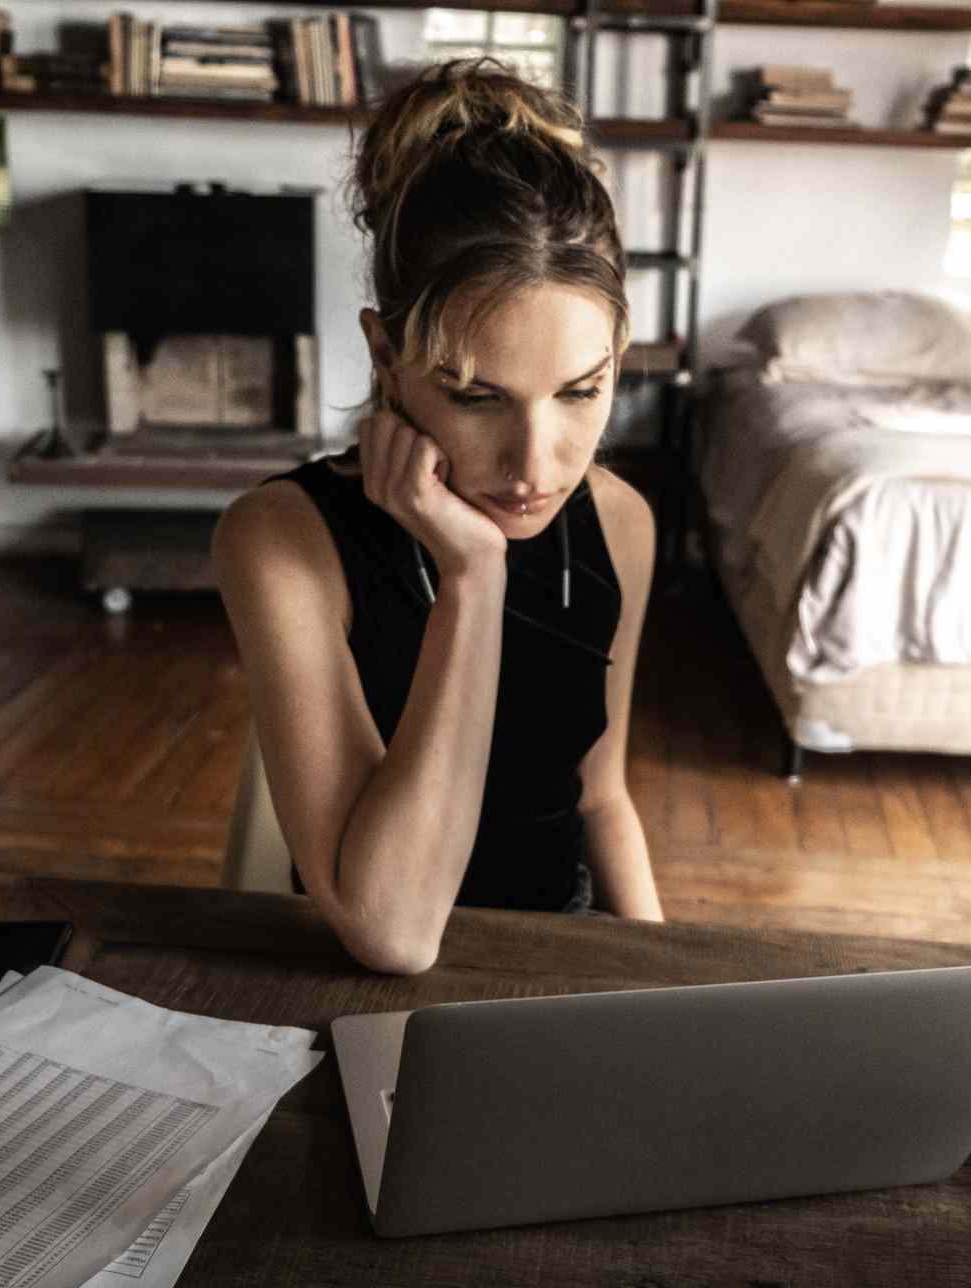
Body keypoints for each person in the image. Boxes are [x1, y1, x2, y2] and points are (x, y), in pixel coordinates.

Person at [213, 57, 664, 975]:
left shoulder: (619, 522)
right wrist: (472, 575)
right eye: (476, 396)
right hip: (352, 983)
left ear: (618, 354)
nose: (535, 469)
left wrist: (674, 985)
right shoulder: (283, 541)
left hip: (559, 967)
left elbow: (601, 799)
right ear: (386, 353)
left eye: (580, 392)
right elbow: (393, 930)